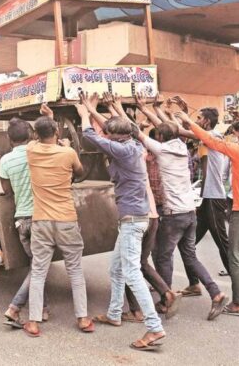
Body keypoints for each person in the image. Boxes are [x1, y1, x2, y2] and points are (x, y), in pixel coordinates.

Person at [75, 93, 166, 351]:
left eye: (109, 134)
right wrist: (92, 108)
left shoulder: (123, 150)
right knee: (116, 270)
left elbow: (91, 136)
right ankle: (115, 313)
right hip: (135, 217)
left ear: (116, 137)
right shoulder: (134, 143)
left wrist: (85, 115)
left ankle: (154, 327)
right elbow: (110, 128)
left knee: (131, 273)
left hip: (133, 219)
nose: (106, 136)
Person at [176, 112, 239, 315]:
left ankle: (238, 302)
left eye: (237, 135)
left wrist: (188, 121)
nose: (235, 138)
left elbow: (210, 140)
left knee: (234, 255)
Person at [136, 118, 228, 321]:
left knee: (163, 257)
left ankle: (165, 298)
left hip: (174, 215)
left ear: (160, 137)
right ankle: (216, 293)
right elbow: (171, 129)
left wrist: (113, 107)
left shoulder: (161, 150)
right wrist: (147, 111)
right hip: (189, 212)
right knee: (190, 257)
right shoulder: (183, 147)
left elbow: (136, 132)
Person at [23, 109, 92, 338]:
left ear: (37, 134)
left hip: (41, 220)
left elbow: (35, 140)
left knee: (39, 271)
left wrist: (47, 124)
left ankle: (33, 322)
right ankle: (82, 318)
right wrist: (64, 145)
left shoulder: (31, 151)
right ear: (56, 131)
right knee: (75, 270)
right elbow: (80, 173)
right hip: (66, 219)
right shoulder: (68, 153)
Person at [0, 116, 49, 326]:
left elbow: (7, 191)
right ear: (31, 135)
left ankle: (42, 308)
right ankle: (14, 308)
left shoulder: (5, 160)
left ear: (9, 139)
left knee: (36, 264)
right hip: (40, 218)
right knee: (39, 267)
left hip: (21, 220)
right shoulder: (38, 152)